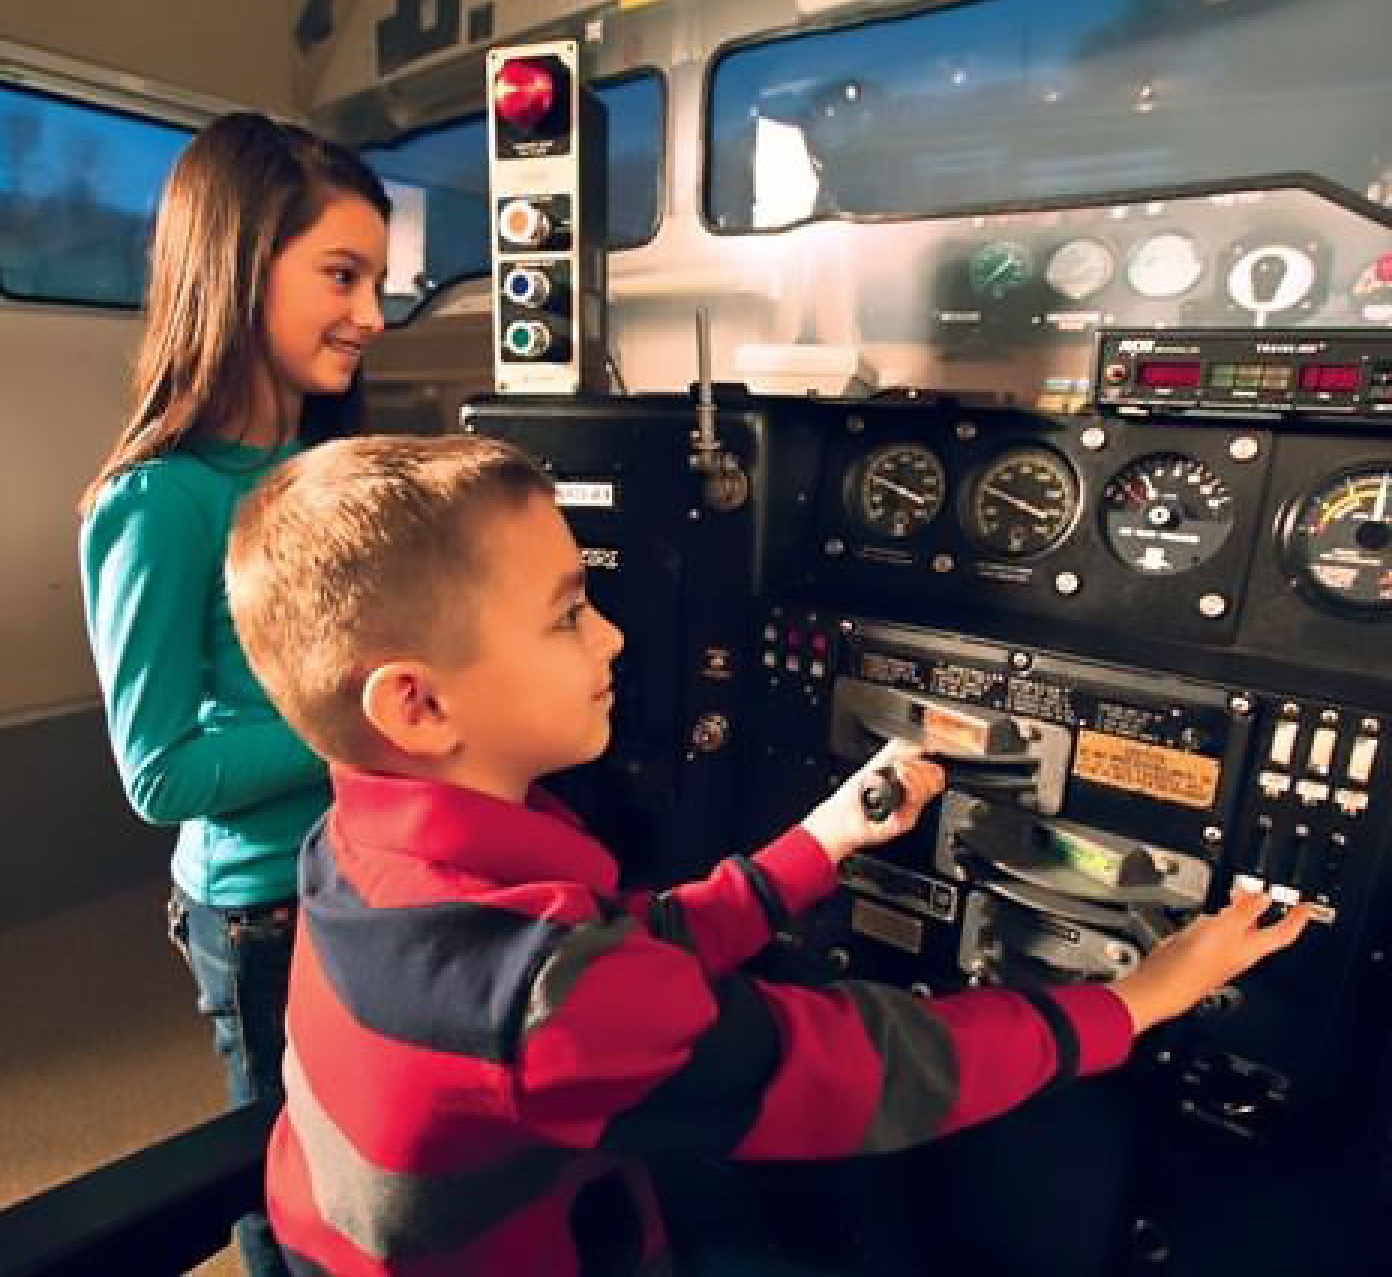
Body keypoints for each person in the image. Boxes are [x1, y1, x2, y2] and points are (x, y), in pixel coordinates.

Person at [223, 435, 1313, 1277]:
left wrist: (818, 845)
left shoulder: (364, 843)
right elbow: (854, 1066)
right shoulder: (531, 990)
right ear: (416, 703)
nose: (609, 638)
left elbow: (621, 955)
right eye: (567, 617)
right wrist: (1130, 1004)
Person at [76, 112, 391, 1277]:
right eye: (341, 276)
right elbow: (160, 774)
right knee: (291, 1183)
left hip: (373, 872)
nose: (370, 313)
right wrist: (357, 731)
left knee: (383, 1157)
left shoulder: (331, 470)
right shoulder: (157, 502)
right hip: (264, 910)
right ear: (238, 267)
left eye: (378, 281)